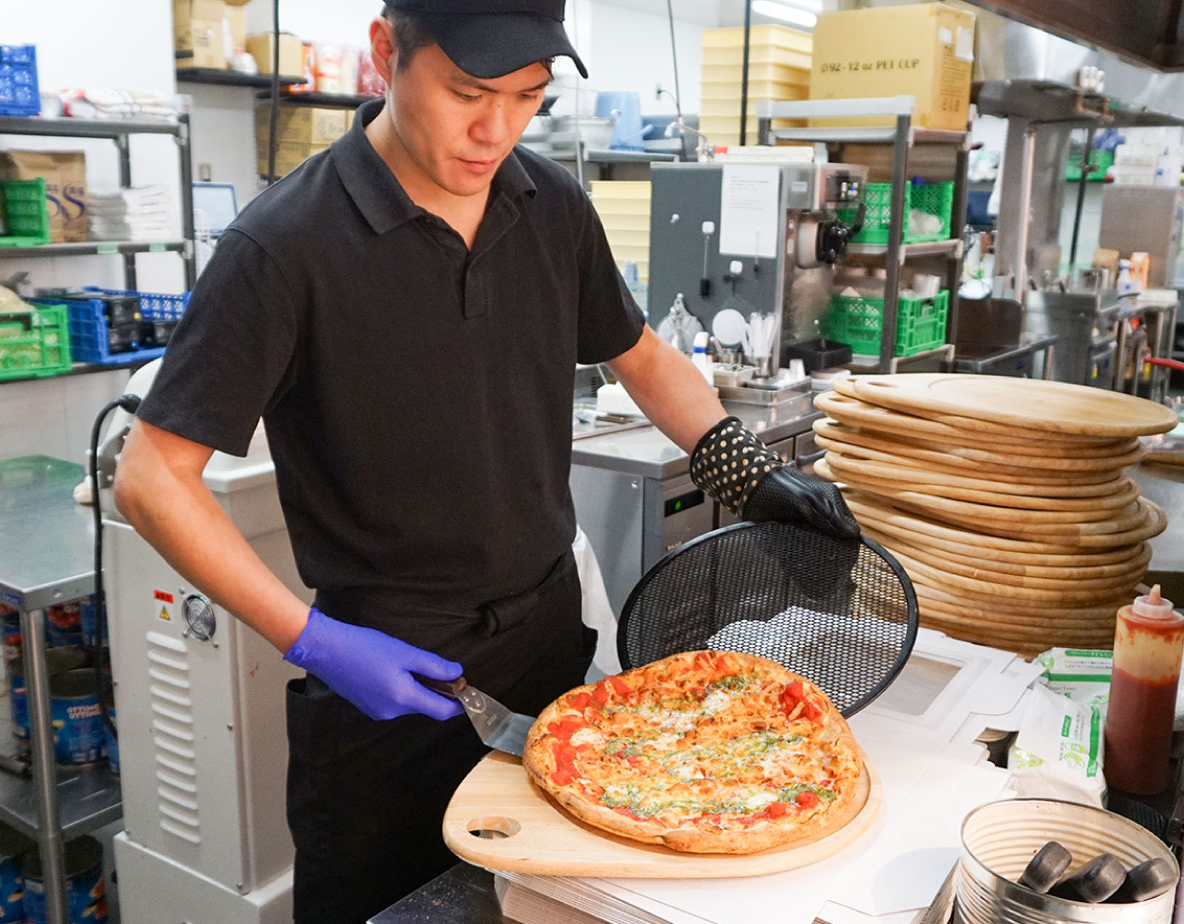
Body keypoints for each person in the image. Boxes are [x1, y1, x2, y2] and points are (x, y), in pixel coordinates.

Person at [113, 2, 857, 922]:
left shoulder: (551, 206)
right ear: (386, 51)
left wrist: (745, 470)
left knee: (542, 906)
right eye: (467, 92)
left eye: (527, 97)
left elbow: (640, 355)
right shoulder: (284, 245)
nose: (495, 130)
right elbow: (152, 478)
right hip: (391, 684)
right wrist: (313, 641)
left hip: (544, 653)